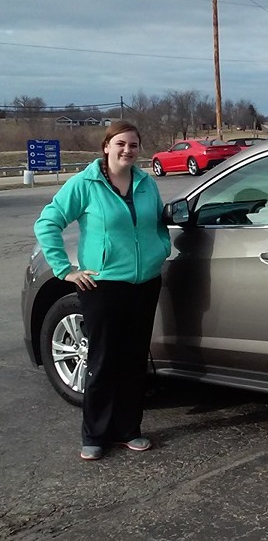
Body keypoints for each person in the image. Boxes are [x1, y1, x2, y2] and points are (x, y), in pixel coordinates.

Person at [34, 120, 171, 461]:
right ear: (106, 146)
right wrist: (66, 270)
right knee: (103, 359)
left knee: (134, 358)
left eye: (134, 145)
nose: (127, 150)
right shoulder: (85, 184)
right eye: (121, 144)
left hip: (144, 282)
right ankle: (95, 434)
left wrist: (160, 249)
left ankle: (128, 429)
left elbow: (157, 222)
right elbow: (47, 222)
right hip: (103, 284)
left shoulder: (145, 183)